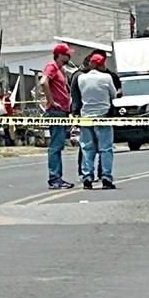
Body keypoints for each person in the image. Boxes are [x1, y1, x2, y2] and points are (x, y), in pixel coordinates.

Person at [77, 52, 117, 190]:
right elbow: (113, 95)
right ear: (101, 65)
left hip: (86, 117)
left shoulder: (81, 78)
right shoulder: (107, 77)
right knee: (105, 149)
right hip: (103, 116)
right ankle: (106, 177)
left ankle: (87, 176)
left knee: (87, 149)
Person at [39, 43, 74, 189]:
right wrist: (51, 101)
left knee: (59, 145)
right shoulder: (52, 66)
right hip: (56, 111)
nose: (69, 56)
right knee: (55, 146)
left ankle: (57, 177)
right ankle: (54, 178)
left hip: (63, 111)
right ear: (60, 55)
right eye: (67, 54)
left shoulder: (61, 70)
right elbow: (43, 82)